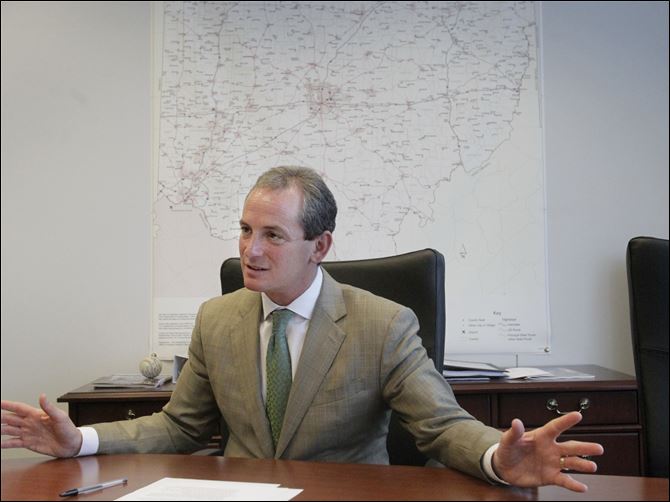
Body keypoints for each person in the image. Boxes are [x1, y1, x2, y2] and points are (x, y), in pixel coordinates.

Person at [2, 166, 603, 492]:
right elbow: (180, 426)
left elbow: (442, 427)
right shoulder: (217, 318)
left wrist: (498, 458)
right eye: (245, 230)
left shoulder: (383, 324)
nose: (249, 251)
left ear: (320, 246)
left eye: (272, 235)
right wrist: (80, 441)